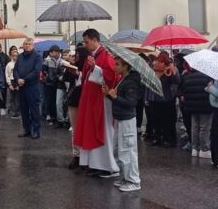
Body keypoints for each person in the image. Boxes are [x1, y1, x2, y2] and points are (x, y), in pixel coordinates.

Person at [74, 29, 121, 178]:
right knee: (91, 130)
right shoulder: (92, 56)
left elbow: (112, 75)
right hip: (90, 100)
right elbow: (86, 77)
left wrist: (96, 68)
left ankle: (108, 166)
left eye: (87, 42)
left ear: (95, 40)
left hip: (101, 101)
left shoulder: (106, 56)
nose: (86, 45)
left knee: (103, 132)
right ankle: (94, 164)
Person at [104, 56, 142, 192]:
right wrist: (109, 94)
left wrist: (114, 97)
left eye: (118, 64)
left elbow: (131, 103)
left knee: (128, 151)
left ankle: (133, 180)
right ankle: (125, 177)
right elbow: (119, 99)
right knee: (119, 150)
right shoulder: (123, 80)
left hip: (127, 120)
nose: (115, 66)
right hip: (120, 118)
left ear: (126, 66)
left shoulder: (130, 82)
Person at [145, 53, 180, 148]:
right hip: (154, 99)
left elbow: (176, 82)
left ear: (165, 62)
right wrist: (147, 98)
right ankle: (157, 137)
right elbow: (148, 85)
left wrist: (173, 70)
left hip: (166, 100)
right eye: (157, 61)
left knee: (167, 121)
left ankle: (168, 139)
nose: (157, 63)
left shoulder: (170, 70)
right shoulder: (152, 71)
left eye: (160, 61)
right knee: (155, 120)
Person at [180, 62, 213, 158]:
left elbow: (184, 91)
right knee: (204, 128)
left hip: (192, 107)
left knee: (194, 128)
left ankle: (195, 148)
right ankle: (204, 149)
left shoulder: (187, 77)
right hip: (205, 106)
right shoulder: (207, 78)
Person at [14, 38, 43, 139]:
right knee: (24, 109)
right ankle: (26, 129)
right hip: (22, 87)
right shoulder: (20, 56)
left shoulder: (37, 57)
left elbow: (36, 71)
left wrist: (24, 79)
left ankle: (35, 130)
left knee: (34, 109)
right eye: (25, 44)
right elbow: (15, 70)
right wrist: (17, 79)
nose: (27, 46)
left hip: (32, 86)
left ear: (33, 45)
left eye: (29, 44)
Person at [64, 47, 87, 169]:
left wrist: (79, 74)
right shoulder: (75, 66)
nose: (75, 57)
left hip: (84, 99)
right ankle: (76, 156)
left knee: (85, 129)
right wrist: (70, 69)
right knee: (75, 130)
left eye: (77, 54)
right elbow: (66, 79)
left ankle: (85, 156)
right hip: (74, 100)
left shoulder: (87, 67)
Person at [43, 45, 63, 127]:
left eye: (53, 52)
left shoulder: (61, 61)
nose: (51, 53)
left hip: (57, 83)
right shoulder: (47, 60)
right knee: (49, 100)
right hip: (48, 83)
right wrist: (47, 76)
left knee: (56, 101)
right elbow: (44, 70)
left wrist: (56, 77)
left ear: (57, 52)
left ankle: (55, 117)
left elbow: (60, 72)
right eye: (50, 52)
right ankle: (49, 115)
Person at [5, 49, 20, 119]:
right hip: (11, 81)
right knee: (12, 98)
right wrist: (9, 84)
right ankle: (13, 111)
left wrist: (18, 85)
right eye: (13, 56)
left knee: (18, 98)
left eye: (16, 56)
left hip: (18, 82)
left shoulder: (20, 64)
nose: (15, 57)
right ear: (11, 56)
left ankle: (17, 112)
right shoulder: (9, 64)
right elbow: (7, 74)